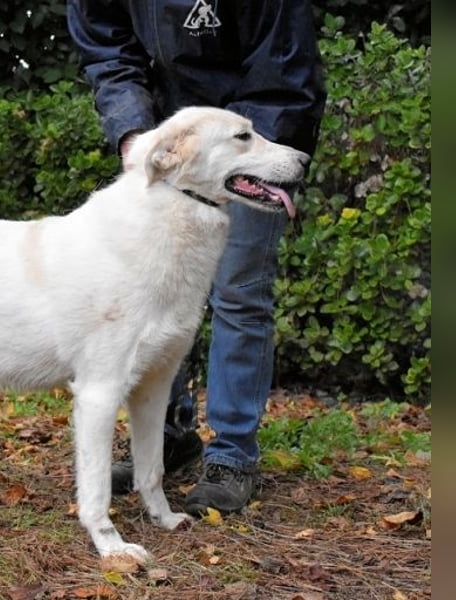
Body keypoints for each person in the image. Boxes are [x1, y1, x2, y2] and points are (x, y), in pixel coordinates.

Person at [66, 0, 327, 515]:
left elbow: (282, 70)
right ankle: (168, 431)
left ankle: (231, 454)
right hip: (172, 144)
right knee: (152, 297)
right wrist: (135, 134)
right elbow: (108, 53)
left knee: (239, 290)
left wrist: (249, 155)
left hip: (249, 142)